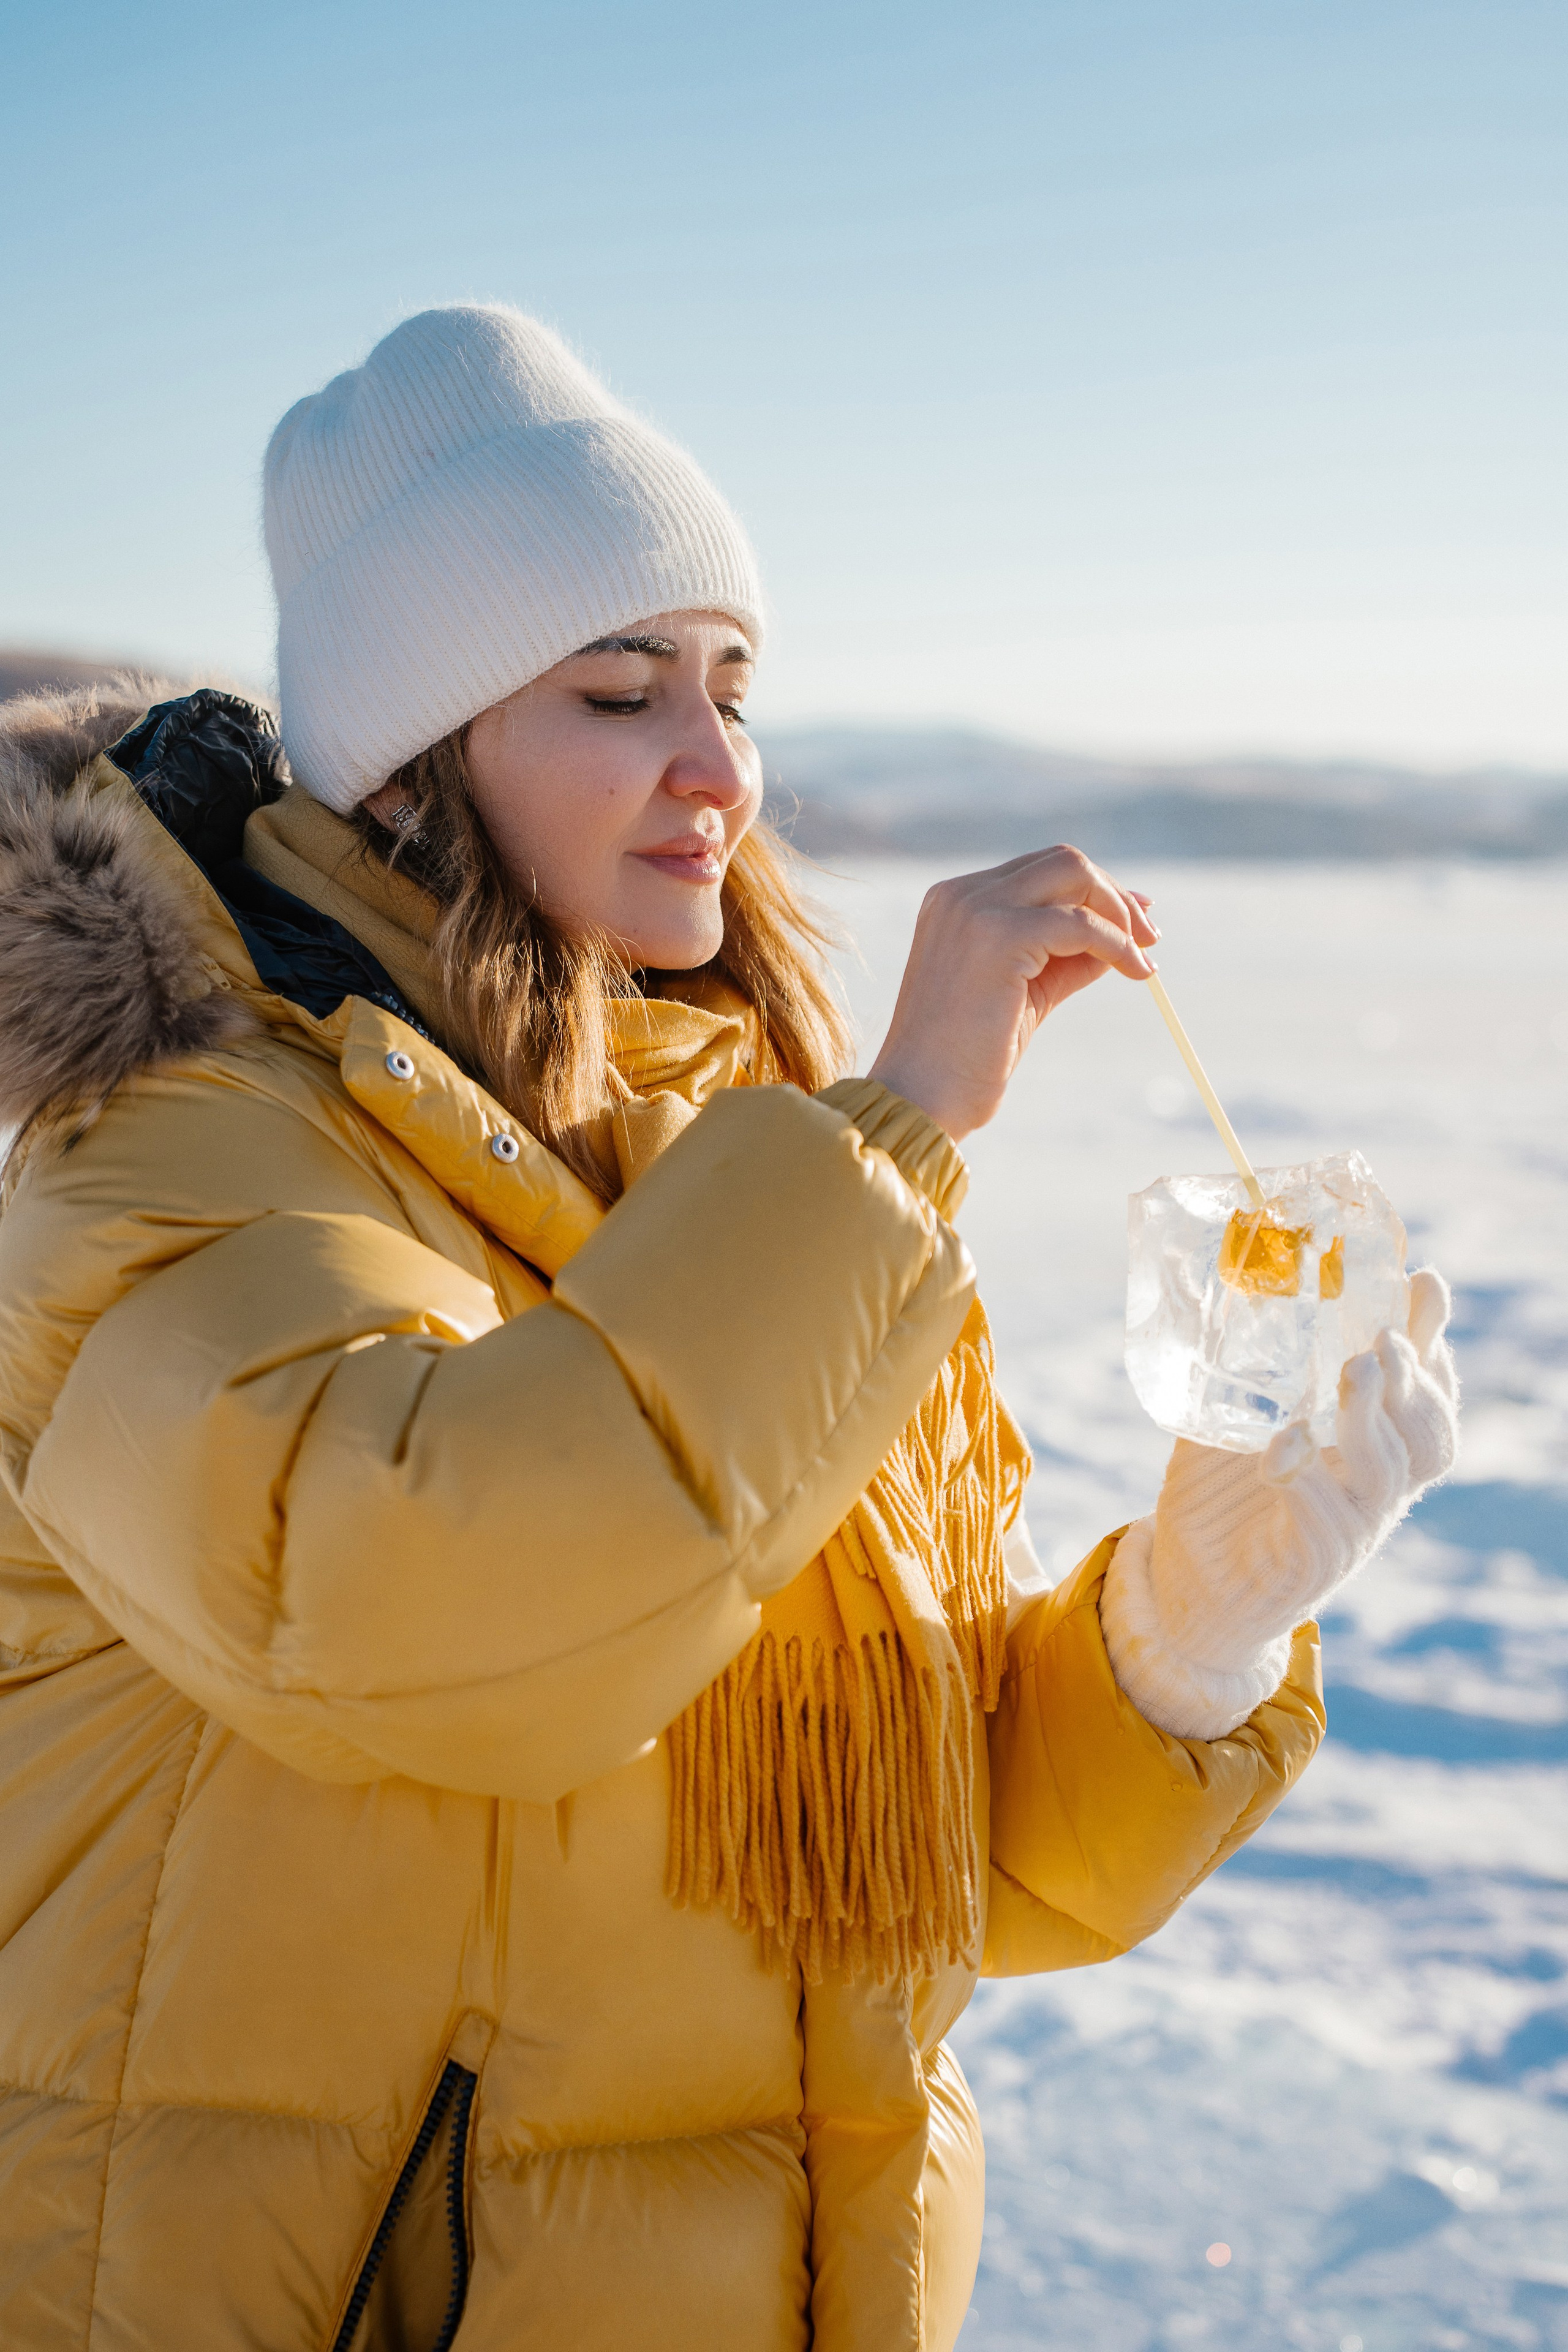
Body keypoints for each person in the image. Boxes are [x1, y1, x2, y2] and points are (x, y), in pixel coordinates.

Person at [0, 307, 1458, 2352]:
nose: (722, 769)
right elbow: (444, 1622)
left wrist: (1186, 1635)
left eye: (734, 687)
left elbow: (906, 1876)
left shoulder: (724, 1166)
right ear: (406, 769)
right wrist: (902, 1127)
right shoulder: (181, 1160)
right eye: (620, 690)